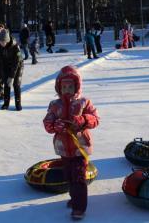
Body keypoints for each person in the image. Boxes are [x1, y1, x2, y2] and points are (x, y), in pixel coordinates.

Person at [43, 66, 99, 220]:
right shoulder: (55, 105)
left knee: (78, 177)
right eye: (64, 87)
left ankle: (79, 207)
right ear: (59, 87)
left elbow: (95, 119)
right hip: (64, 149)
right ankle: (75, 198)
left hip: (80, 148)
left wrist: (83, 120)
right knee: (69, 175)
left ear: (77, 87)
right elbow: (47, 122)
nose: (67, 90)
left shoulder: (83, 102)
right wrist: (55, 126)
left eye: (71, 86)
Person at [0, 29, 24, 111]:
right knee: (7, 84)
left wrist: (12, 76)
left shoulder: (15, 47)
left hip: (18, 66)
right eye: (0, 41)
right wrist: (0, 75)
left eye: (3, 42)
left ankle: (18, 104)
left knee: (16, 84)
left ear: (7, 40)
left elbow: (17, 63)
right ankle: (6, 103)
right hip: (7, 66)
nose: (1, 43)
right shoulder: (0, 47)